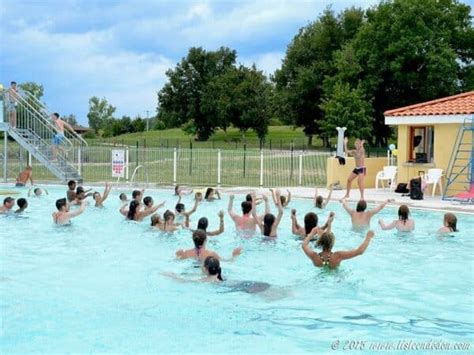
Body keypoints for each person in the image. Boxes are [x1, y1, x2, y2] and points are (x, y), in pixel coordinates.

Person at [302, 230, 376, 269]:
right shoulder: (337, 256)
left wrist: (311, 234)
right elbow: (360, 251)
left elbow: (304, 245)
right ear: (332, 243)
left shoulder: (314, 256)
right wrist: (368, 237)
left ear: (321, 242)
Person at [176, 229, 242, 261]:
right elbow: (227, 261)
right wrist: (234, 255)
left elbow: (176, 261)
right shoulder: (211, 254)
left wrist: (177, 255)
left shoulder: (186, 253)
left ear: (193, 240)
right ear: (206, 240)